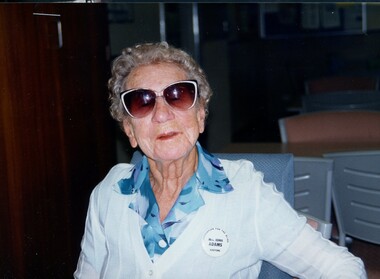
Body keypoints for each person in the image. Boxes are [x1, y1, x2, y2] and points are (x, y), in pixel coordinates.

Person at [74, 42, 366, 278]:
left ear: (200, 116)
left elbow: (340, 267)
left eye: (178, 95)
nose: (161, 114)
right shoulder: (108, 193)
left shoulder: (246, 193)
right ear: (130, 131)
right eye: (142, 101)